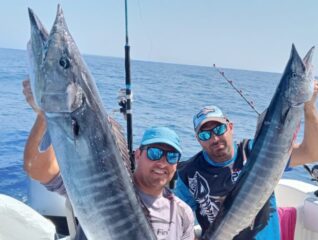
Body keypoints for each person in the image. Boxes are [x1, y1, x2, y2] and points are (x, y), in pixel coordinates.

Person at [22, 79, 195, 240]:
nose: (162, 162)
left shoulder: (182, 213)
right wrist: (45, 116)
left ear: (176, 165)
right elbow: (37, 169)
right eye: (155, 153)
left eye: (172, 156)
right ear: (138, 155)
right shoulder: (104, 187)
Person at [175, 80, 318, 239]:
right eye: (205, 134)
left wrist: (309, 105)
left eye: (219, 129)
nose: (215, 138)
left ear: (230, 127)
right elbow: (178, 220)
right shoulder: (188, 173)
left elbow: (312, 153)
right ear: (198, 140)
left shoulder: (258, 151)